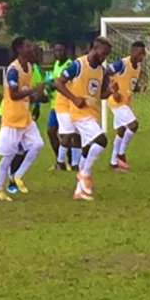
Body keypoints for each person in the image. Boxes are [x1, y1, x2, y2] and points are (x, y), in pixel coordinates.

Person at [54, 37, 112, 201]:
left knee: (88, 149)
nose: (104, 57)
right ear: (95, 48)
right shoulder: (78, 65)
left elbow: (100, 94)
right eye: (103, 53)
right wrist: (74, 98)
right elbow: (59, 83)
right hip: (80, 114)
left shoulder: (101, 71)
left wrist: (111, 91)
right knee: (101, 140)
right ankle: (84, 174)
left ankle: (80, 191)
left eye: (107, 55)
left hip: (93, 114)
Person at [0, 36, 47, 201]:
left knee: (37, 144)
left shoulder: (29, 67)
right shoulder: (13, 70)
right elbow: (14, 94)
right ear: (19, 50)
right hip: (12, 118)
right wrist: (32, 91)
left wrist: (38, 95)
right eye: (28, 46)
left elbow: (26, 92)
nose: (31, 49)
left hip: (25, 117)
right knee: (8, 156)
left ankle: (18, 175)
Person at [106, 41, 146, 170]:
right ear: (132, 51)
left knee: (121, 131)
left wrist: (139, 88)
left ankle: (113, 162)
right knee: (133, 125)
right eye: (139, 53)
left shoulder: (138, 67)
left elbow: (131, 86)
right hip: (116, 101)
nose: (141, 56)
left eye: (143, 54)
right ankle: (121, 154)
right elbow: (104, 73)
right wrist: (113, 91)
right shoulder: (121, 63)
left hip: (126, 102)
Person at [47, 42, 79, 170]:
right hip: (55, 105)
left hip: (67, 105)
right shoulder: (56, 64)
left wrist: (50, 84)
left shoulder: (70, 65)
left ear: (65, 51)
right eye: (56, 51)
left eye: (60, 51)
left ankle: (68, 161)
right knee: (51, 132)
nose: (58, 53)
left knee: (68, 134)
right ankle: (60, 159)